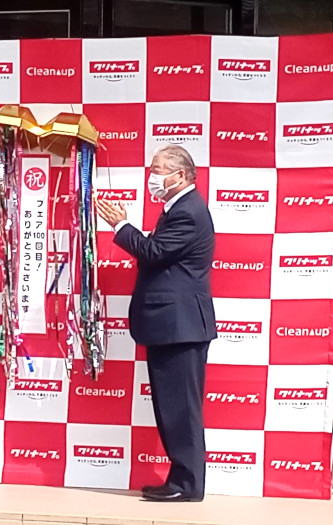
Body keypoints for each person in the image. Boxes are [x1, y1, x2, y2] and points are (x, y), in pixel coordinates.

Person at [96, 144, 216, 502]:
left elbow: (153, 252)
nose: (152, 176)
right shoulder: (176, 209)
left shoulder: (188, 211)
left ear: (179, 175)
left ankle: (188, 484)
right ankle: (179, 479)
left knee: (182, 409)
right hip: (171, 325)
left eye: (157, 169)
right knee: (171, 408)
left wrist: (121, 225)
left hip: (181, 326)